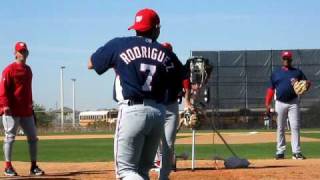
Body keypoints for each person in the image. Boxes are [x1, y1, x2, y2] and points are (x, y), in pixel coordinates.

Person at [88, 8, 181, 179]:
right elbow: (181, 77)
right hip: (158, 113)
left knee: (125, 172)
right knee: (141, 171)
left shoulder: (119, 44)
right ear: (157, 29)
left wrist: (120, 62)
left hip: (132, 111)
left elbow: (91, 63)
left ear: (135, 27)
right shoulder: (166, 52)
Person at [0, 42, 45, 176]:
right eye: (20, 51)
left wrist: (31, 108)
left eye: (24, 51)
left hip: (26, 111)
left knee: (33, 138)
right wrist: (5, 105)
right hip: (11, 111)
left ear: (27, 53)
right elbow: (3, 90)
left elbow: (28, 92)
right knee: (10, 138)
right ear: (15, 53)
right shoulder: (9, 70)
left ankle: (33, 166)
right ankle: (8, 166)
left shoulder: (28, 70)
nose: (23, 53)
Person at [152, 42, 190, 180]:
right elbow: (185, 80)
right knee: (156, 139)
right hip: (156, 106)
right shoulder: (155, 62)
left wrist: (187, 101)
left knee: (167, 142)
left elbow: (185, 79)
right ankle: (158, 165)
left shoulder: (174, 62)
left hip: (169, 106)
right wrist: (187, 100)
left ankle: (164, 174)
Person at [265, 50, 311, 160]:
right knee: (280, 127)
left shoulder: (297, 72)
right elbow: (271, 89)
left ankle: (296, 152)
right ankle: (280, 151)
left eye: (288, 58)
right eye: (284, 58)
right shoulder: (276, 73)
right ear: (282, 60)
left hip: (293, 102)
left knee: (295, 127)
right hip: (279, 103)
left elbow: (307, 83)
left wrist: (307, 84)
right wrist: (267, 103)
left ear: (291, 60)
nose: (286, 60)